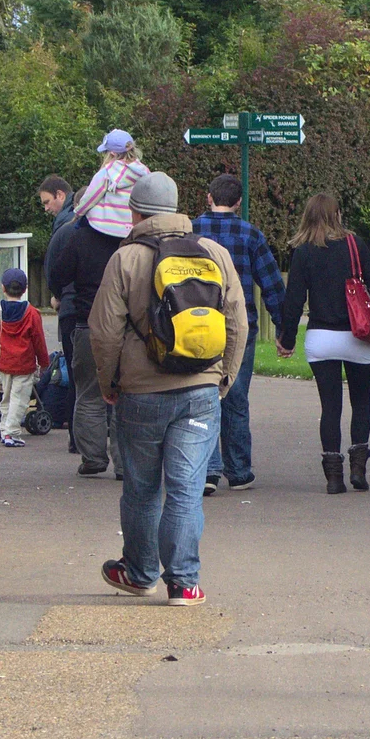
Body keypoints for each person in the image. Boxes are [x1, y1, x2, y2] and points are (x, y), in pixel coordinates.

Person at [89, 171, 248, 607]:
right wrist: (224, 378)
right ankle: (184, 582)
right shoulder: (213, 253)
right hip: (200, 391)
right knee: (185, 489)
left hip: (140, 394)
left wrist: (109, 384)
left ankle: (139, 573)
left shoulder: (125, 259)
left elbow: (103, 332)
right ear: (179, 208)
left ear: (134, 211)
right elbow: (238, 321)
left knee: (141, 488)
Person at [276, 193, 370, 494]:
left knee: (330, 407)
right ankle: (359, 470)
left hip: (321, 338)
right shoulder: (354, 245)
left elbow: (293, 302)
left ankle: (333, 477)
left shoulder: (303, 252)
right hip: (357, 337)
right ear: (337, 215)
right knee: (361, 403)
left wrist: (286, 340)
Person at [52, 132, 149, 477]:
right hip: (130, 326)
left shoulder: (80, 234)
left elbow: (60, 273)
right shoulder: (138, 238)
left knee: (90, 395)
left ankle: (92, 459)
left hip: (87, 322)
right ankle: (126, 464)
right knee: (126, 396)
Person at [194, 173, 285, 495]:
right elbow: (271, 285)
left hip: (196, 325)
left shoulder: (191, 232)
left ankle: (207, 469)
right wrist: (284, 330)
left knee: (201, 395)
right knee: (235, 397)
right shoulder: (250, 235)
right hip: (238, 326)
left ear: (208, 197)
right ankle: (239, 470)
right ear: (238, 202)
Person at [0, 268, 49, 447]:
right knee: (19, 399)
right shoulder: (32, 313)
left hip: (3, 362)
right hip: (24, 364)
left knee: (6, 397)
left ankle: (4, 428)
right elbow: (39, 341)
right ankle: (11, 432)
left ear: (3, 288)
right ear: (25, 289)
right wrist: (44, 363)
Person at [44, 186, 87, 453]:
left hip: (71, 310)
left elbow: (52, 273)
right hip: (102, 312)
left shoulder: (63, 233)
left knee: (76, 375)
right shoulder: (108, 233)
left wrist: (61, 296)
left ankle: (77, 438)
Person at [38, 174, 76, 239]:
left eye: (47, 202)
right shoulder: (84, 209)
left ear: (60, 195)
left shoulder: (63, 221)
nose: (46, 209)